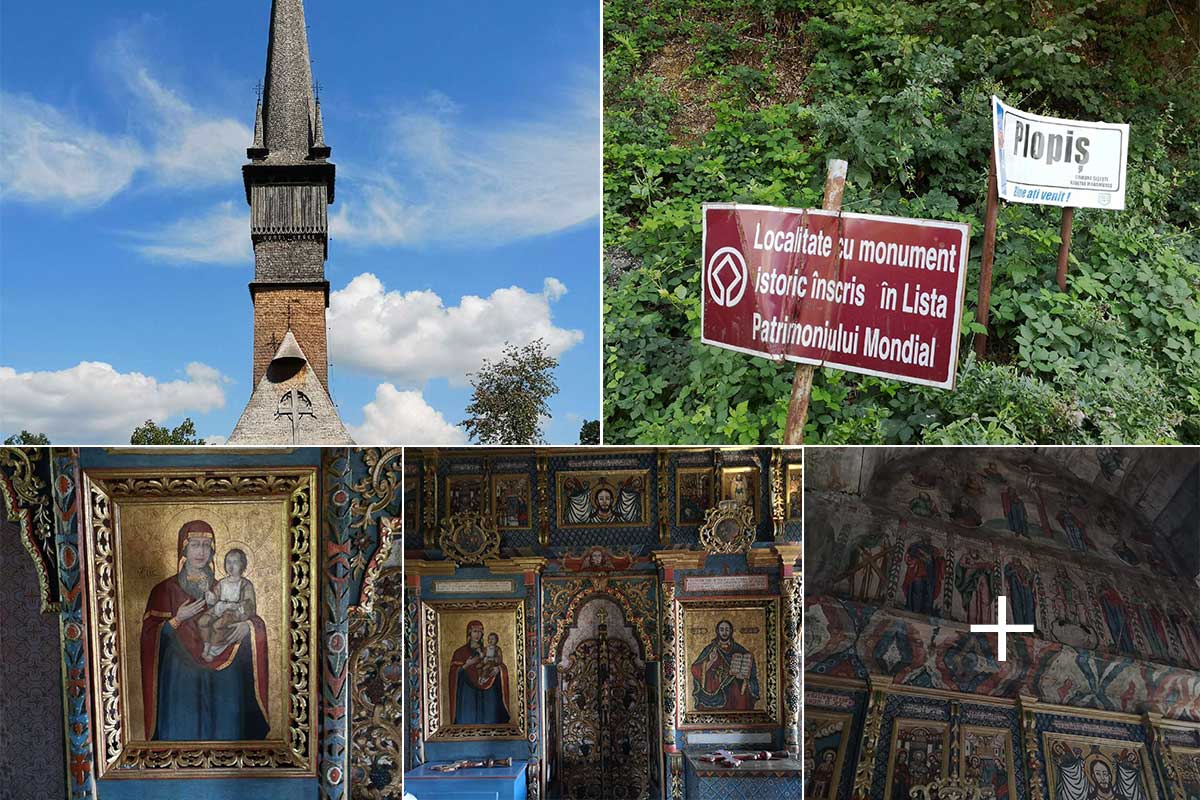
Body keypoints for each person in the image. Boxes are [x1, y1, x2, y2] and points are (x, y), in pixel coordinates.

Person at [139, 521, 269, 741]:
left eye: (206, 546)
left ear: (213, 551)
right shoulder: (164, 591)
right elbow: (148, 637)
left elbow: (253, 618)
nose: (200, 552)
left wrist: (247, 628)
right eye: (195, 545)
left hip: (223, 679)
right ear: (184, 549)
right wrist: (177, 620)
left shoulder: (225, 588)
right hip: (181, 679)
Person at [198, 549, 257, 661]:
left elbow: (249, 603)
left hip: (234, 611)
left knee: (218, 625)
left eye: (235, 562)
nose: (231, 566)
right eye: (228, 562)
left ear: (242, 565)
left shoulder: (245, 584)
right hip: (220, 608)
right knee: (203, 621)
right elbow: (214, 599)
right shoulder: (222, 583)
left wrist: (238, 607)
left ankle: (214, 650)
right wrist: (207, 591)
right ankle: (207, 645)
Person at [449, 621, 510, 724]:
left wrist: (498, 669)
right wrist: (466, 665)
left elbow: (499, 663)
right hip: (468, 693)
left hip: (487, 692)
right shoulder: (460, 652)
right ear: (469, 633)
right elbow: (453, 673)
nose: (477, 634)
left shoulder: (487, 650)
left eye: (480, 632)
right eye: (474, 631)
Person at [690, 620, 760, 710]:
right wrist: (711, 661)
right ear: (717, 631)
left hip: (734, 684)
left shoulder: (737, 648)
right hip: (715, 685)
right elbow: (695, 669)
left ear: (731, 631)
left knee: (740, 695)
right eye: (722, 629)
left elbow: (750, 664)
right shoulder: (710, 648)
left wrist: (745, 671)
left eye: (727, 629)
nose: (724, 632)